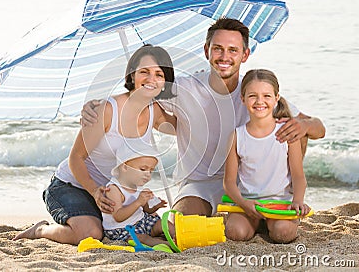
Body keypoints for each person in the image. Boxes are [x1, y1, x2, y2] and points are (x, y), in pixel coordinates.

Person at [81, 18, 326, 218]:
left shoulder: (255, 94)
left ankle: (284, 195)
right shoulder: (183, 88)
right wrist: (100, 105)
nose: (224, 56)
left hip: (249, 185)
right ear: (207, 50)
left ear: (245, 54)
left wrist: (303, 125)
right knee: (181, 226)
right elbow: (141, 92)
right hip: (198, 183)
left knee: (293, 129)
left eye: (233, 50)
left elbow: (319, 129)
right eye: (218, 48)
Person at [13, 44, 176, 245]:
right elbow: (76, 158)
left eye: (159, 74)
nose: (151, 79)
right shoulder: (106, 110)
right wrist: (94, 192)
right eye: (144, 72)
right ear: (132, 76)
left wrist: (192, 92)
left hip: (115, 194)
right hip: (73, 186)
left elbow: (184, 128)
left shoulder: (155, 111)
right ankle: (41, 230)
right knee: (89, 235)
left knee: (155, 230)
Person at [223, 69, 311, 243]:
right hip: (248, 204)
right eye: (253, 96)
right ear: (243, 99)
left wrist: (298, 200)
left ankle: (272, 223)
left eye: (266, 96)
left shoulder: (287, 134)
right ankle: (257, 223)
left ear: (276, 98)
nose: (259, 101)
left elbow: (298, 177)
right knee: (235, 233)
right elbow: (229, 183)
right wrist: (243, 203)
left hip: (280, 204)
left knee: (283, 234)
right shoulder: (236, 136)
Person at [103, 140, 174, 246]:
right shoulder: (114, 189)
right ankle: (161, 242)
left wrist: (154, 207)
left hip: (141, 221)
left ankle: (177, 236)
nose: (148, 174)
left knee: (163, 224)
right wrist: (138, 202)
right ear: (125, 167)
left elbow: (145, 210)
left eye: (150, 171)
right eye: (143, 169)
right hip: (122, 228)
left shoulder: (137, 186)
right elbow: (118, 217)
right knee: (141, 237)